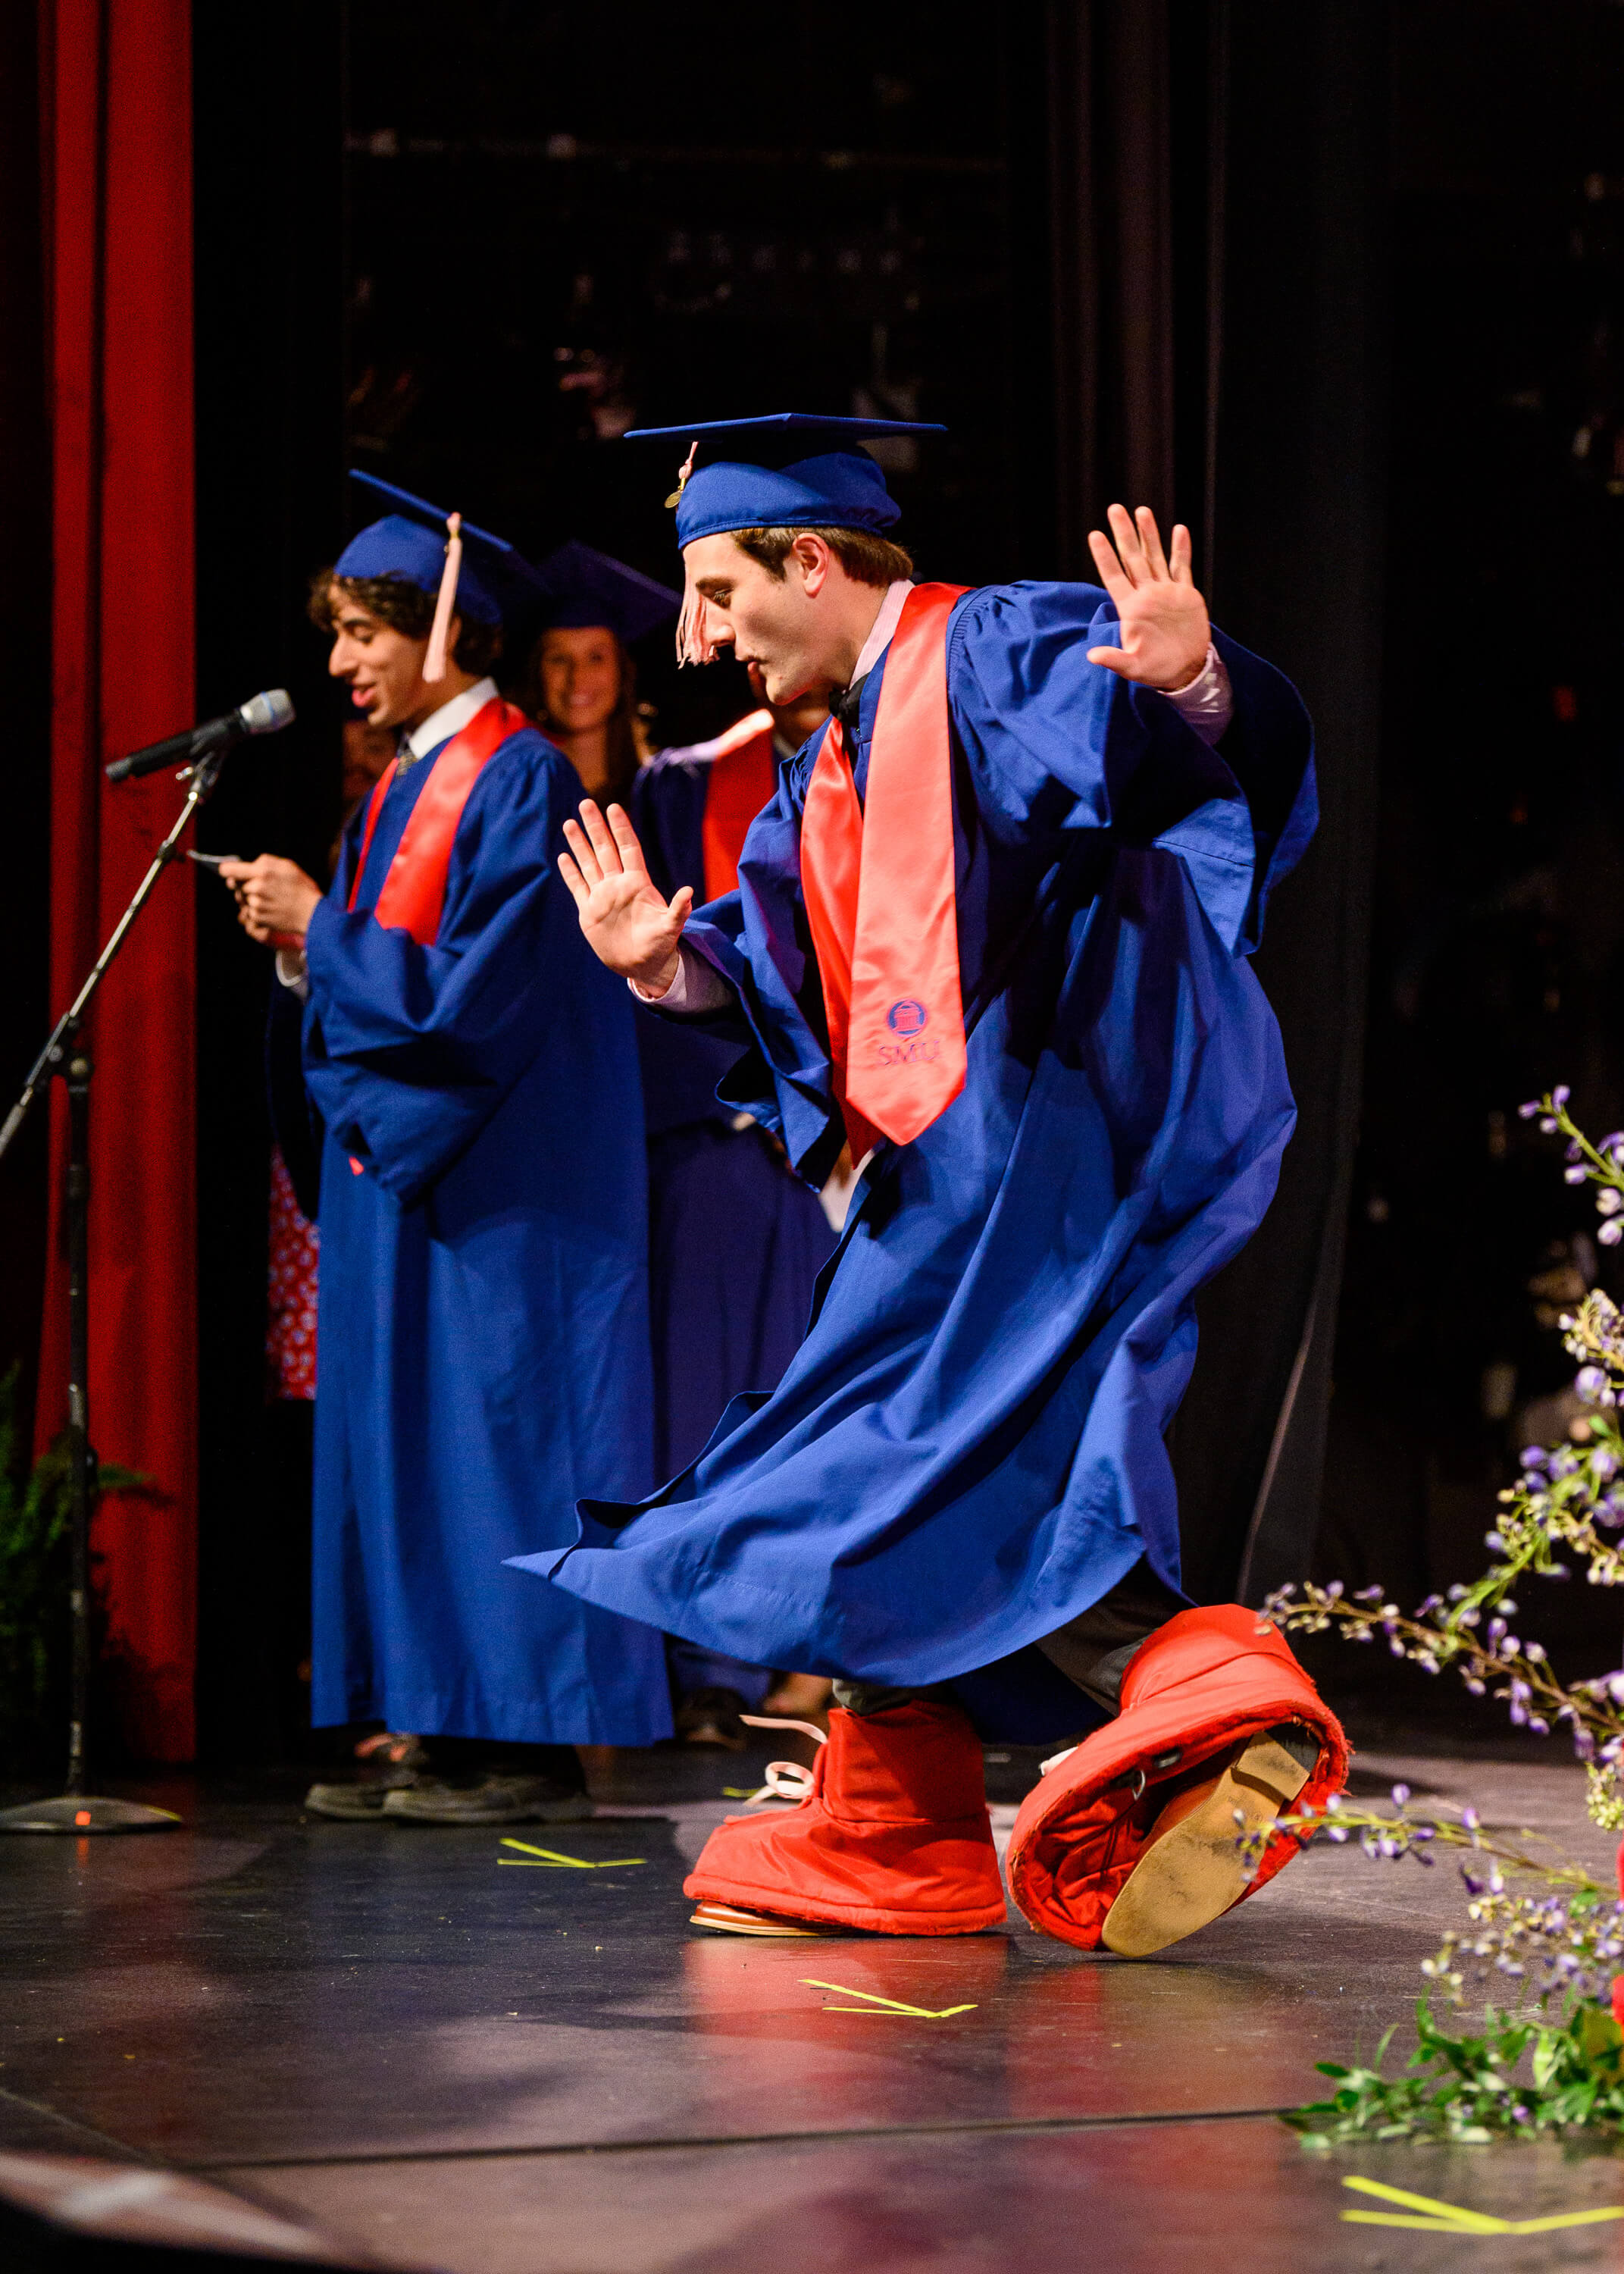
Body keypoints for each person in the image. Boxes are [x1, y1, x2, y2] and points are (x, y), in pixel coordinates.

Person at [515, 412, 1348, 1953]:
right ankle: (895, 1824)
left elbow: (1145, 765)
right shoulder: (828, 757)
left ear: (814, 559)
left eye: (716, 593)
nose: (695, 642)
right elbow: (791, 974)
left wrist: (1192, 685)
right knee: (879, 1465)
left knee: (929, 1446)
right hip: (950, 1176)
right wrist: (665, 972)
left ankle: (1202, 1684)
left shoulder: (989, 650)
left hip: (1055, 1145)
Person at [224, 470, 673, 1826]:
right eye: (338, 633)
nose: (340, 661)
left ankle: (524, 1744)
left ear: (443, 630)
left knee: (501, 1444)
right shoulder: (394, 793)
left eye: (364, 631)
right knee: (400, 1444)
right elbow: (383, 982)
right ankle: (433, 1721)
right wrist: (310, 963)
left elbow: (479, 1000)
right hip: (412, 1169)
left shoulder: (518, 776)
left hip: (506, 1181)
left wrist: (326, 933)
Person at [633, 668, 840, 1746]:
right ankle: (702, 1660)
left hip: (844, 1137)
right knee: (700, 1400)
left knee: (811, 1397)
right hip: (716, 1146)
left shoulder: (900, 756)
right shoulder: (685, 787)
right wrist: (741, 1087)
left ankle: (803, 1651)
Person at [521, 540, 676, 807]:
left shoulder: (664, 797)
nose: (577, 677)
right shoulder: (514, 795)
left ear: (623, 671)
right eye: (559, 659)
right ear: (537, 673)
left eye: (596, 657)